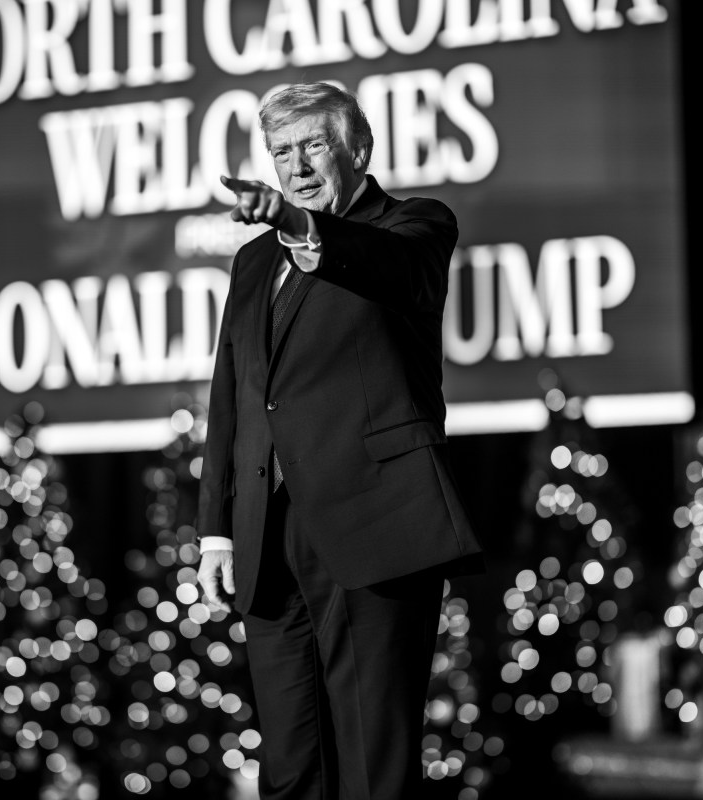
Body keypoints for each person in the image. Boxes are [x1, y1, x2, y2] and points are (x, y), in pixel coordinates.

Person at [196, 82, 484, 800]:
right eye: (280, 152)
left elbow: (395, 274)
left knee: (371, 768)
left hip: (372, 526)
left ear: (357, 148)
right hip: (269, 538)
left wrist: (300, 224)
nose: (294, 165)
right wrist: (216, 534)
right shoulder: (253, 262)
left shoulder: (411, 228)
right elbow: (234, 397)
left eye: (312, 145)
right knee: (290, 770)